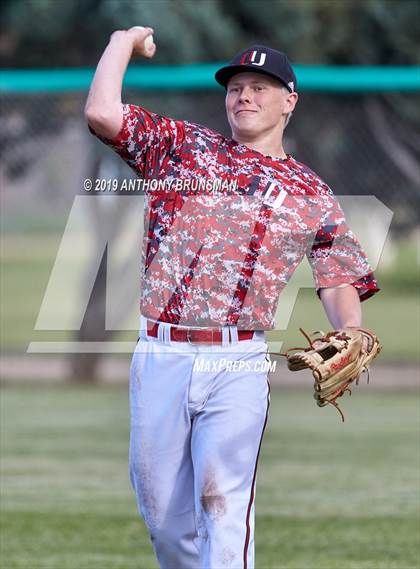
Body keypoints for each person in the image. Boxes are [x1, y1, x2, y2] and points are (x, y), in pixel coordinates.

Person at [85, 27, 379, 569]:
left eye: (260, 87)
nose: (244, 95)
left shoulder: (309, 192)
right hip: (162, 354)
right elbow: (103, 114)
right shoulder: (182, 147)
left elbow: (338, 276)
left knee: (222, 506)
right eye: (235, 86)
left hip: (237, 360)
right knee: (166, 522)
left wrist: (350, 329)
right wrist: (122, 43)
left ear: (289, 101)